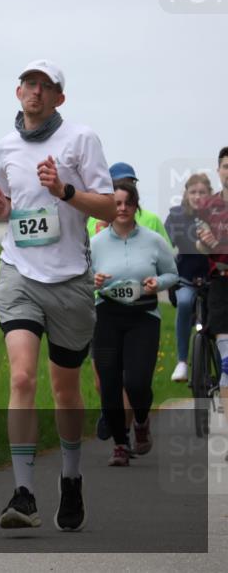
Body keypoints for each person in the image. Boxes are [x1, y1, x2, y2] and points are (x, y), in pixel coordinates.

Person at [0, 59, 116, 531]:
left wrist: (64, 190)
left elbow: (106, 203)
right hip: (18, 272)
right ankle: (23, 492)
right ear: (17, 91)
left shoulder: (82, 139)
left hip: (71, 281)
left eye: (46, 86)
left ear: (59, 98)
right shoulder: (6, 145)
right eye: (29, 83)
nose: (35, 91)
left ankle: (72, 477)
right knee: (21, 378)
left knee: (65, 389)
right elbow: (7, 202)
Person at [90, 181, 178, 466]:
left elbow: (172, 275)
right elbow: (82, 276)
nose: (123, 208)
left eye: (128, 202)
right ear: (109, 207)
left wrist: (157, 283)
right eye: (117, 203)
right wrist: (95, 280)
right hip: (107, 315)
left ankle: (141, 420)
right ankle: (119, 443)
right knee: (109, 383)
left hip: (143, 316)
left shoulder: (153, 240)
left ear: (136, 205)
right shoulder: (96, 243)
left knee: (137, 382)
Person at [164, 173, 215, 382]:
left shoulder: (217, 214)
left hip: (214, 279)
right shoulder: (176, 216)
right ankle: (183, 361)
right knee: (184, 303)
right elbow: (166, 246)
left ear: (209, 194)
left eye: (202, 192)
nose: (197, 196)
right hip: (186, 278)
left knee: (218, 318)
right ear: (186, 194)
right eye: (193, 192)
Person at [194, 146, 228, 455]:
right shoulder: (209, 206)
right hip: (221, 281)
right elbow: (198, 243)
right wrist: (204, 243)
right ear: (219, 170)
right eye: (226, 166)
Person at [87, 162, 172, 245]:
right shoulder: (90, 221)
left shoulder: (152, 220)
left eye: (128, 182)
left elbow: (166, 253)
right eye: (117, 183)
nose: (123, 187)